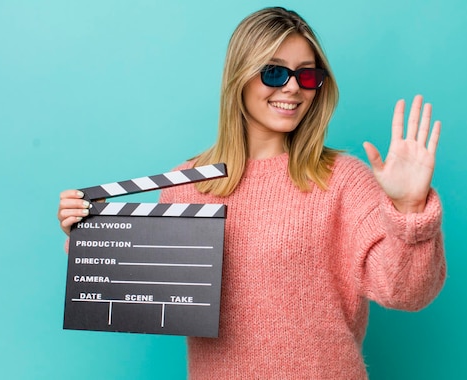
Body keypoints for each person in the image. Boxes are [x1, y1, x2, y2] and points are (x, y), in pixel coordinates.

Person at [57, 6, 445, 379]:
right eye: (274, 73)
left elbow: (405, 292)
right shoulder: (187, 186)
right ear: (239, 76)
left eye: (307, 76)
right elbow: (152, 300)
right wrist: (92, 238)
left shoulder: (342, 180)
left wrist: (410, 210)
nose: (293, 88)